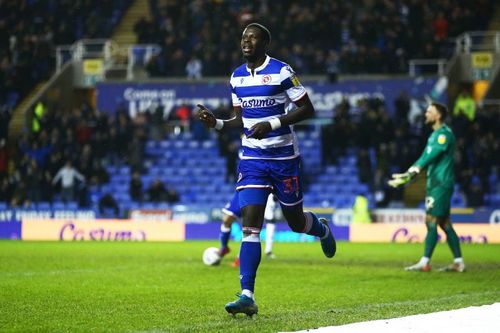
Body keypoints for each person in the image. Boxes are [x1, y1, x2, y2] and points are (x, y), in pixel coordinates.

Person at [198, 23, 336, 316]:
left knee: (296, 222)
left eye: (253, 37)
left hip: (284, 159)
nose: (246, 41)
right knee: (250, 226)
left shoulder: (283, 72)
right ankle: (247, 294)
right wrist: (218, 124)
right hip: (252, 161)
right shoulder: (236, 77)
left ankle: (321, 229)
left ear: (265, 43)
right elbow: (240, 118)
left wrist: (272, 124)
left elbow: (307, 109)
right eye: (243, 37)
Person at [388, 102, 465, 273]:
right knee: (444, 223)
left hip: (441, 184)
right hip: (435, 183)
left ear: (438, 116)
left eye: (429, 112)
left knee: (430, 220)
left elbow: (429, 157)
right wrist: (408, 173)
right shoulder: (434, 135)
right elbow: (423, 157)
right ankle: (458, 262)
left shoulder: (443, 135)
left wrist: (410, 173)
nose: (426, 114)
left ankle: (425, 262)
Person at [219, 192, 278, 267]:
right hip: (243, 185)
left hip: (259, 187)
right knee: (227, 219)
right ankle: (224, 247)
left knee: (251, 223)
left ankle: (241, 258)